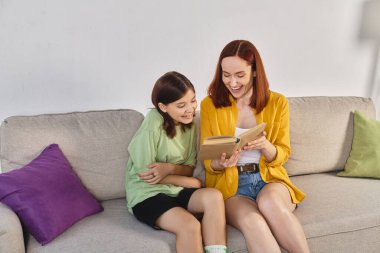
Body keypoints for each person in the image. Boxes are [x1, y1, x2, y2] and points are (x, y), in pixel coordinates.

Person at [200, 40, 310, 253]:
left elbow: (283, 152)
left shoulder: (278, 102)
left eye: (239, 75)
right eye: (226, 74)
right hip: (232, 187)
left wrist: (266, 146)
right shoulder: (209, 105)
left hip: (269, 179)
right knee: (254, 222)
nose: (232, 82)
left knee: (271, 205)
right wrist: (221, 163)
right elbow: (208, 161)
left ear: (254, 72)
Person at [126, 71, 227, 253]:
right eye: (181, 105)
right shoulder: (153, 121)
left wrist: (170, 168)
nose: (190, 109)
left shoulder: (189, 123)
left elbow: (188, 169)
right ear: (163, 107)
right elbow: (147, 175)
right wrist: (191, 182)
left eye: (193, 101)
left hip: (176, 190)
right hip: (147, 194)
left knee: (214, 197)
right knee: (190, 225)